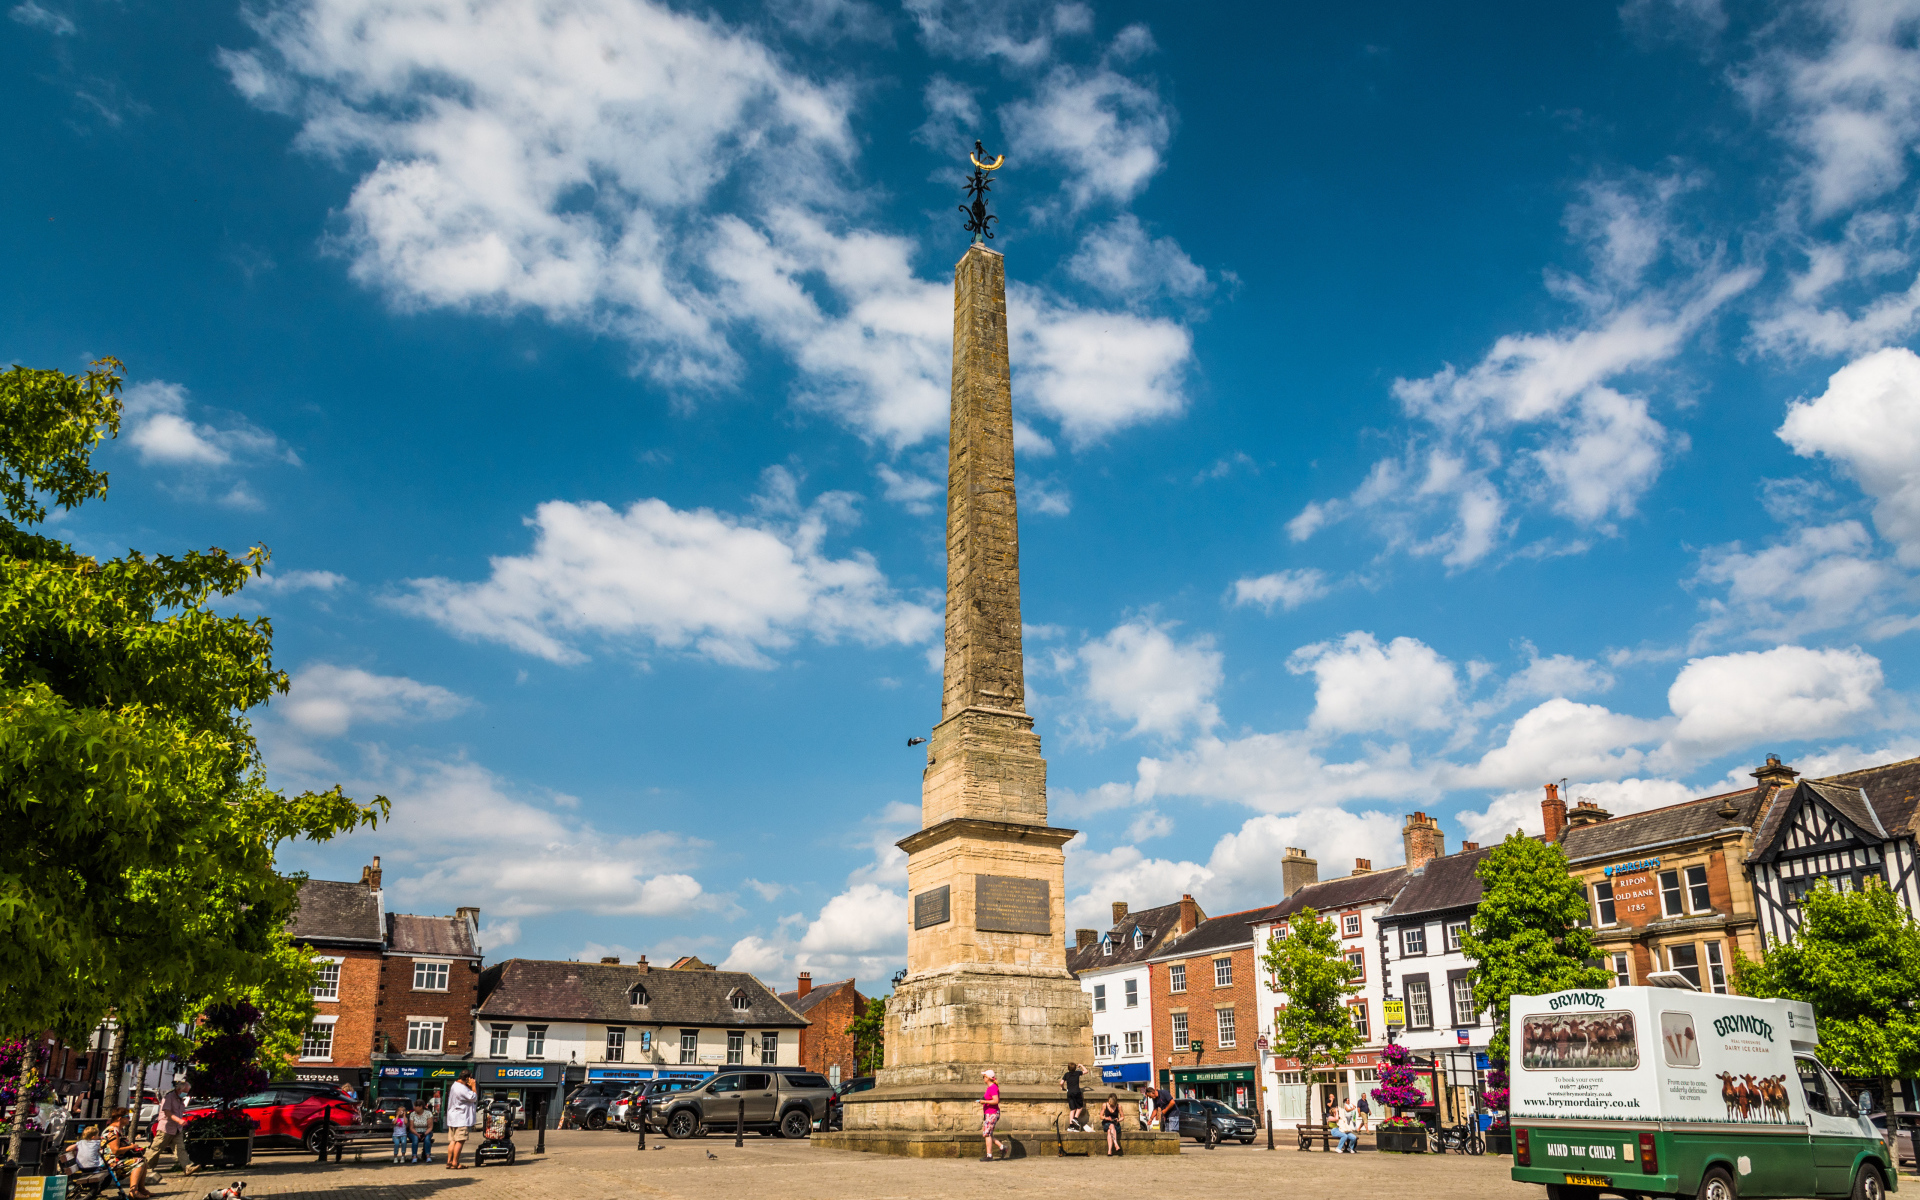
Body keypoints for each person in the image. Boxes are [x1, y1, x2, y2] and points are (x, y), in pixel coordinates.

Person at [142, 1079, 197, 1186]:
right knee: (156, 1148)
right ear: (179, 1089)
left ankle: (187, 1167)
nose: (187, 1093)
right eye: (186, 1091)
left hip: (177, 1129)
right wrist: (179, 1120)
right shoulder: (169, 1097)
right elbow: (167, 1112)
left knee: (180, 1148)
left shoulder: (180, 1099)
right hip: (166, 1128)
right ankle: (145, 1168)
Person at [445, 1073, 479, 1170]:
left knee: (453, 1140)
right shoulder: (462, 1088)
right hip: (461, 1118)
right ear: (467, 1078)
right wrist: (473, 1086)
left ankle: (449, 1161)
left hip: (453, 1118)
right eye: (471, 1078)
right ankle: (455, 1162)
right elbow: (474, 1097)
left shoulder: (455, 1085)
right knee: (460, 1141)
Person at [979, 1069, 1007, 1162]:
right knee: (988, 1134)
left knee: (987, 1134)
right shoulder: (990, 1087)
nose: (983, 1078)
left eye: (984, 1076)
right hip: (989, 1113)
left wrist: (985, 1101)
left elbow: (996, 1101)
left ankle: (989, 1155)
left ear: (987, 1078)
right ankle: (1002, 1147)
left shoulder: (993, 1087)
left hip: (992, 1113)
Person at [1059, 1062, 1086, 1131]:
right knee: (1080, 1107)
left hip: (1070, 1093)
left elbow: (1061, 1082)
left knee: (1072, 1109)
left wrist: (1062, 1087)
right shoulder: (1077, 1073)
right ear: (1075, 1068)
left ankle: (1071, 1126)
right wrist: (1081, 1065)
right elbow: (1086, 1071)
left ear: (1068, 1068)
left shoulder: (1066, 1074)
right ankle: (1075, 1119)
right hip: (1077, 1092)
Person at [391, 1099, 416, 1164]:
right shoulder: (394, 1118)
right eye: (400, 1111)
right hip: (396, 1135)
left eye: (403, 1111)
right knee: (396, 1144)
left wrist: (404, 1115)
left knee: (404, 1143)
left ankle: (403, 1156)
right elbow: (394, 1123)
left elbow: (406, 1123)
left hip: (403, 1135)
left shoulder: (405, 1118)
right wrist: (397, 1115)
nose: (401, 1112)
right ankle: (395, 1157)